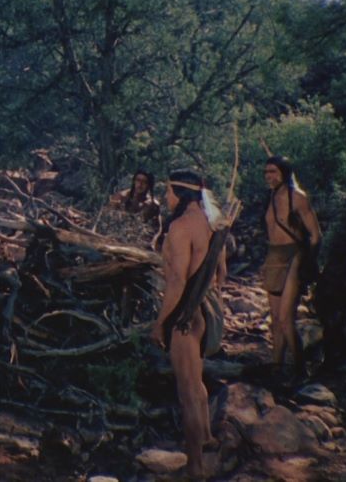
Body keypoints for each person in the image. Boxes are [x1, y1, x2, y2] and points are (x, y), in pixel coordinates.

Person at [150, 169, 226, 479]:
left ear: (180, 193)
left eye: (168, 191)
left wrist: (160, 322)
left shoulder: (181, 227)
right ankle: (206, 437)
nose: (166, 198)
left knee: (187, 392)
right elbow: (221, 273)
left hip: (184, 314)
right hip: (205, 309)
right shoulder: (213, 222)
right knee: (197, 383)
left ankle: (195, 467)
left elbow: (178, 280)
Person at [261, 156, 321, 378]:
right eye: (266, 172)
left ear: (284, 173)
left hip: (295, 256)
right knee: (275, 319)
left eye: (273, 172)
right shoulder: (270, 197)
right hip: (274, 257)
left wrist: (307, 263)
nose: (269, 176)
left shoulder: (297, 197)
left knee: (286, 318)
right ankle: (276, 366)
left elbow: (315, 235)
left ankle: (300, 369)